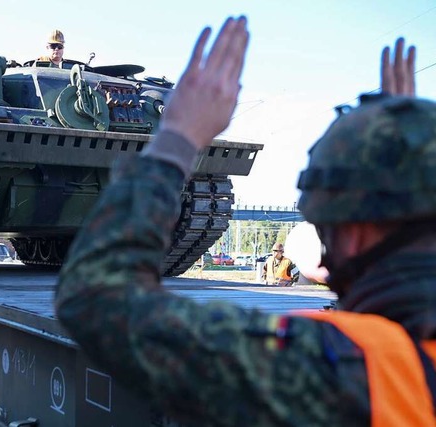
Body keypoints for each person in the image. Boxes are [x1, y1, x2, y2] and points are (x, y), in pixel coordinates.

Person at [56, 15, 431, 426]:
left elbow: (96, 300)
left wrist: (176, 138)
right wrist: (410, 160)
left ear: (356, 232)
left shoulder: (335, 367)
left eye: (327, 229)